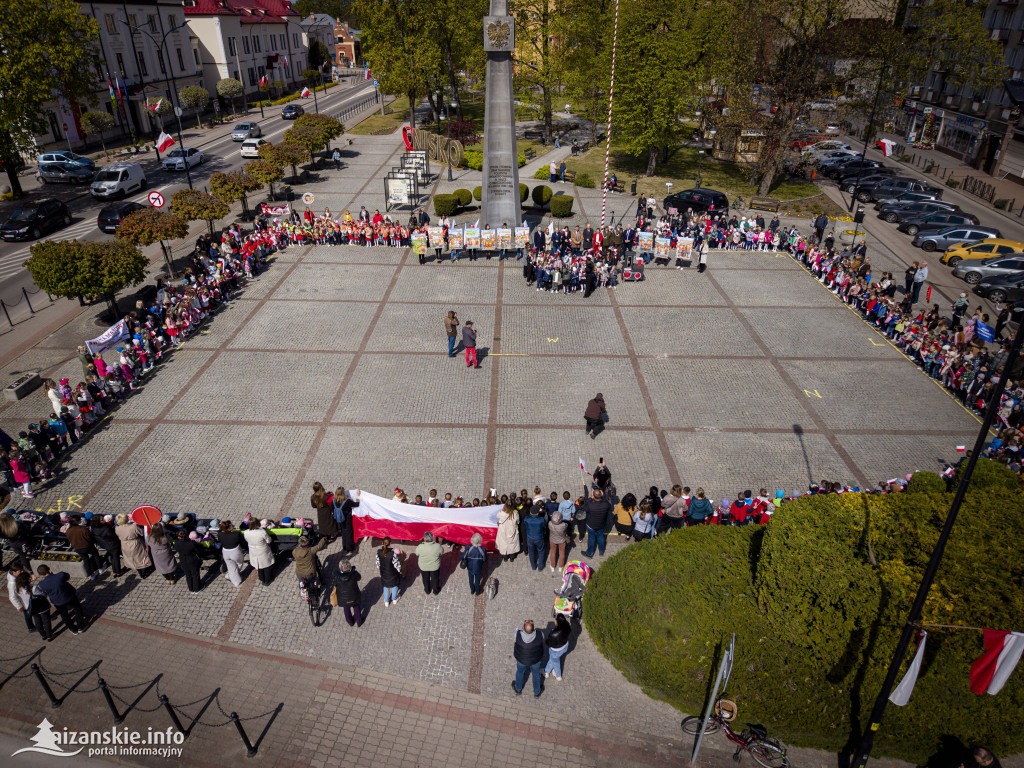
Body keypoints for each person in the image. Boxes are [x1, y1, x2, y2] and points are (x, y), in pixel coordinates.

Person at [35, 564, 86, 635]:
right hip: (69, 596)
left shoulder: (42, 584)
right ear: (49, 569)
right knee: (77, 609)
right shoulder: (60, 575)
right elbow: (67, 576)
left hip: (57, 602)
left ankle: (72, 629)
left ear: (40, 574)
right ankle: (81, 626)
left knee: (64, 615)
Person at [511, 619, 546, 698]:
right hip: (535, 660)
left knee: (520, 672)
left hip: (521, 659)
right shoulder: (540, 634)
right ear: (534, 629)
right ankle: (537, 692)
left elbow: (515, 636)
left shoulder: (517, 634)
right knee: (536, 674)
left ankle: (518, 689)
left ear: (523, 627)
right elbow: (542, 642)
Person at [243, 520, 275, 586]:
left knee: (259, 565)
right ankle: (267, 580)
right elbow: (268, 540)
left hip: (253, 550)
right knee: (266, 565)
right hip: (262, 550)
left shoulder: (246, 532)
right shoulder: (262, 532)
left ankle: (261, 578)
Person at [332, 561, 363, 626]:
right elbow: (359, 577)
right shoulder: (354, 574)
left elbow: (334, 584)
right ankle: (359, 622)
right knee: (356, 606)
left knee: (346, 609)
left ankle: (350, 622)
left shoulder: (337, 576)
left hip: (343, 598)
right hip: (354, 595)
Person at [583, 489, 612, 557]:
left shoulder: (590, 505)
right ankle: (601, 551)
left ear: (593, 496)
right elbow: (608, 504)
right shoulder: (606, 504)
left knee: (591, 538)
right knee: (601, 537)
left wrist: (590, 498)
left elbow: (584, 507)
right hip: (601, 524)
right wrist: (603, 497)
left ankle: (590, 553)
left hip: (591, 525)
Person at [543, 613, 572, 681]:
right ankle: (546, 671)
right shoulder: (567, 625)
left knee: (555, 662)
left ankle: (558, 675)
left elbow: (548, 643)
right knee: (552, 659)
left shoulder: (554, 633)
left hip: (555, 650)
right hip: (564, 646)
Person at [7, 561, 34, 633]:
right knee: (27, 614)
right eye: (20, 571)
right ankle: (30, 627)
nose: (22, 572)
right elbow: (12, 597)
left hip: (26, 597)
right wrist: (19, 607)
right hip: (23, 602)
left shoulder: (17, 574)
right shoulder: (12, 583)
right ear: (13, 572)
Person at [332, 487, 360, 553]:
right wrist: (358, 496)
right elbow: (357, 504)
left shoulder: (334, 500)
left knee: (343, 532)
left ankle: (344, 546)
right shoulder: (347, 501)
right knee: (349, 533)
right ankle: (350, 548)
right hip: (347, 519)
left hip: (339, 519)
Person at [376, 536, 403, 606]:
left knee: (386, 586)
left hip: (384, 573)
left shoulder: (378, 552)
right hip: (392, 574)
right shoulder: (392, 554)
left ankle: (386, 601)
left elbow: (377, 564)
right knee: (394, 586)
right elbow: (396, 564)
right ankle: (394, 599)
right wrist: (400, 570)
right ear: (390, 543)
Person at [218, 521, 246, 587]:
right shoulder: (236, 534)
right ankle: (236, 580)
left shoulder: (220, 534)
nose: (233, 525)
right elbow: (242, 542)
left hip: (225, 552)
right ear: (229, 528)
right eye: (231, 525)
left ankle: (230, 575)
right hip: (235, 552)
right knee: (239, 564)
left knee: (230, 566)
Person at [524, 503, 547, 571]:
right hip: (539, 538)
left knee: (531, 552)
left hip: (530, 538)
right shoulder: (541, 520)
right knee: (541, 551)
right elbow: (544, 524)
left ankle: (533, 566)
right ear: (537, 513)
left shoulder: (526, 519)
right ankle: (540, 566)